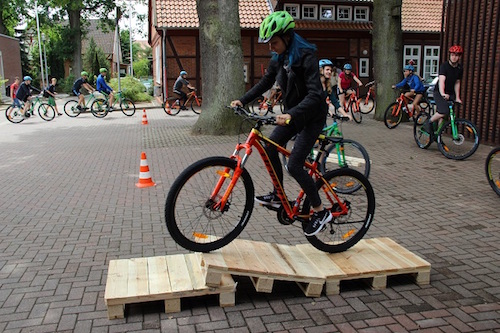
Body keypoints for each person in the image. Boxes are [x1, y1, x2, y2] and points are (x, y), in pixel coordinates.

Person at [230, 11, 332, 237]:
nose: (271, 47)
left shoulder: (306, 56)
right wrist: (243, 100)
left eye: (273, 42)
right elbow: (266, 82)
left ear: (286, 37)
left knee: (295, 165)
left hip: (312, 117)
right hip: (294, 115)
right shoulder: (279, 57)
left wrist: (291, 114)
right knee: (270, 146)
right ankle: (279, 194)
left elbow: (316, 95)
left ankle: (320, 210)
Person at [423, 45, 463, 137]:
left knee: (446, 114)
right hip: (439, 91)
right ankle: (428, 122)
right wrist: (442, 93)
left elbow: (457, 83)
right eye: (452, 55)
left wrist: (457, 97)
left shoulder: (459, 68)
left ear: (459, 57)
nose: (454, 57)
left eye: (456, 55)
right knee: (442, 111)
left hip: (450, 92)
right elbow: (441, 81)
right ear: (450, 55)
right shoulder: (444, 66)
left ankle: (438, 135)